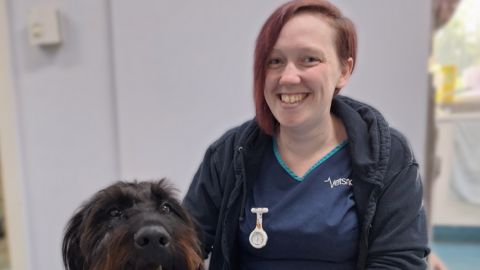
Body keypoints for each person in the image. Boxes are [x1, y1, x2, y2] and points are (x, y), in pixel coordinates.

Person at [183, 0, 430, 269]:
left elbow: (399, 261)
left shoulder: (387, 155)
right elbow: (183, 243)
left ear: (344, 71)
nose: (288, 77)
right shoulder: (229, 154)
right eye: (274, 61)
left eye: (309, 60)